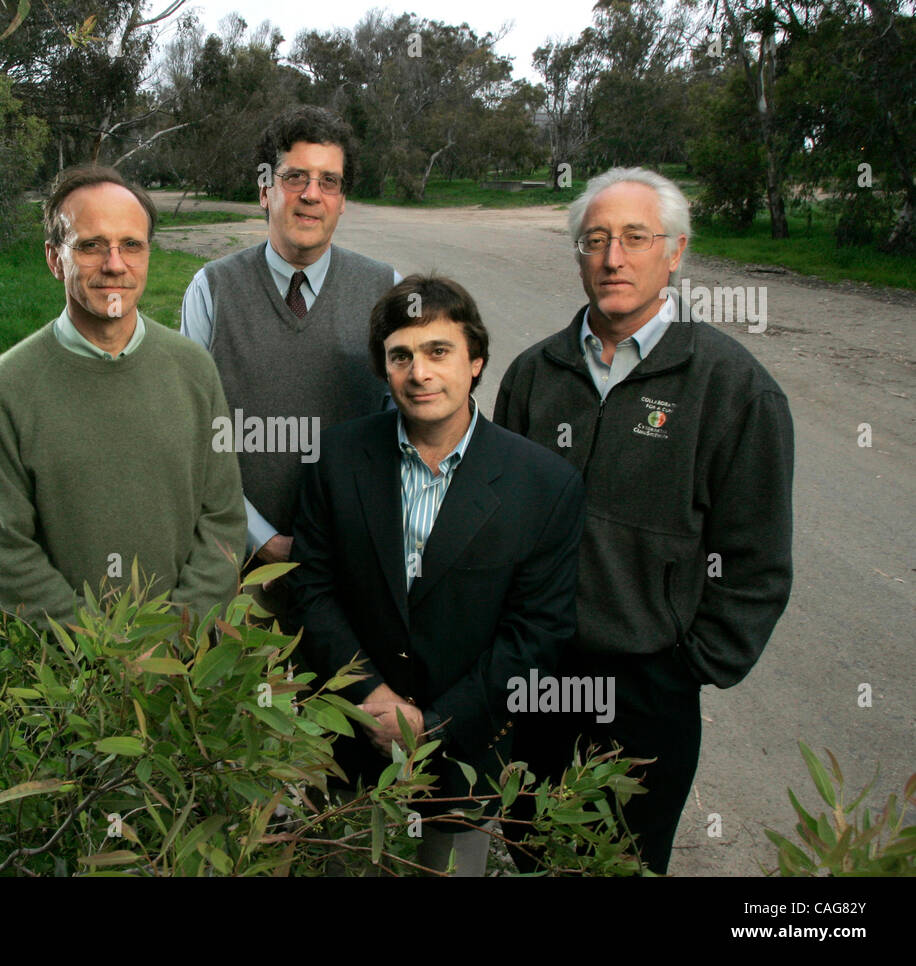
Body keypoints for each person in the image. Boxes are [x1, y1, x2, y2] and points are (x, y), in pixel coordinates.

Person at [493, 166, 794, 874]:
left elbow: (756, 561)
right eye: (595, 240)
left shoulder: (734, 389)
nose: (612, 258)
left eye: (634, 237)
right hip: (534, 679)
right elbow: (497, 524)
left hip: (645, 695)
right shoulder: (535, 375)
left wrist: (686, 666)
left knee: (620, 863)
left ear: (676, 251)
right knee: (528, 849)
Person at [289, 275, 585, 875]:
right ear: (384, 369)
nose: (419, 372)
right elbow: (310, 591)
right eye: (401, 356)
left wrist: (434, 723)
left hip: (466, 752)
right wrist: (370, 698)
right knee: (343, 866)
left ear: (476, 361)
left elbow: (537, 632)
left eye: (438, 351)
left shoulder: (543, 485)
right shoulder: (337, 459)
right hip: (351, 738)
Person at [0, 165, 245, 627]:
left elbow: (222, 519)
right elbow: (10, 554)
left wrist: (178, 634)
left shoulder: (195, 370)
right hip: (74, 680)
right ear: (54, 258)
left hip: (188, 669)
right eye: (90, 245)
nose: (114, 264)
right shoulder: (6, 389)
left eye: (131, 245)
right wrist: (105, 650)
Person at [181, 106, 397, 603]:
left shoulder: (385, 289)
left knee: (340, 684)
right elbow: (192, 436)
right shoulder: (213, 289)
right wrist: (261, 538)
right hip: (235, 570)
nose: (311, 194)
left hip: (353, 569)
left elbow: (404, 424)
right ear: (265, 190)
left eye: (330, 181)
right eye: (294, 176)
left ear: (343, 201)